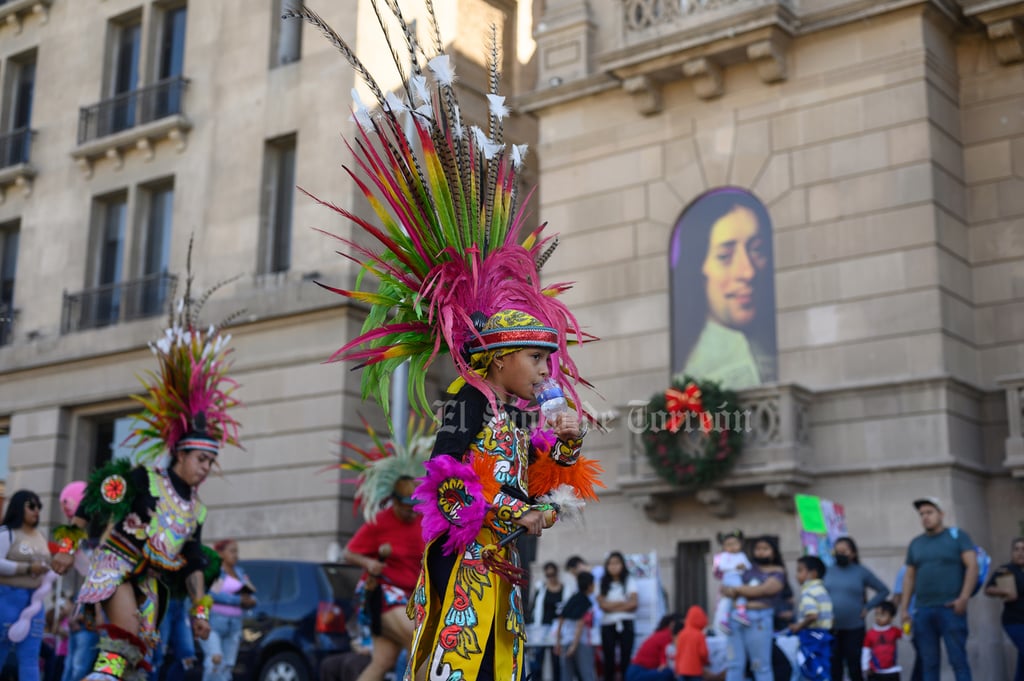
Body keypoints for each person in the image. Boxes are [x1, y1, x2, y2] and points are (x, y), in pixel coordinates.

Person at [51, 283, 241, 681]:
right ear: (181, 454)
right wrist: (67, 546)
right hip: (116, 567)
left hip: (152, 583)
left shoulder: (197, 509)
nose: (206, 468)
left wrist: (200, 611)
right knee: (122, 646)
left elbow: (192, 560)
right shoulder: (144, 479)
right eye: (201, 459)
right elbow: (94, 501)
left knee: (137, 665)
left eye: (212, 461)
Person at [670, 187, 777, 389]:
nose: (748, 272)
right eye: (725, 256)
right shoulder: (690, 367)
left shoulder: (768, 348)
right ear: (698, 267)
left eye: (756, 250)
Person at [345, 476, 424, 681]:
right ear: (395, 502)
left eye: (414, 506)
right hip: (381, 593)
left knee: (383, 661)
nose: (411, 511)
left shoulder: (423, 520)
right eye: (406, 507)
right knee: (418, 639)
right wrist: (370, 563)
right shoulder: (380, 521)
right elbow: (349, 553)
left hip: (409, 596)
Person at [898, 497, 977, 681]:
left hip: (950, 608)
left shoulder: (958, 536)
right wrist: (904, 609)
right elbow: (909, 577)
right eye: (922, 514)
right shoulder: (916, 543)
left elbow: (972, 567)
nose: (925, 517)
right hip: (923, 610)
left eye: (930, 512)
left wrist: (964, 598)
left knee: (958, 661)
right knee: (929, 663)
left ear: (941, 514)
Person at [0, 490, 52, 681]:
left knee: (30, 656)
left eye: (39, 506)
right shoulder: (7, 533)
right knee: (2, 650)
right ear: (18, 507)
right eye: (31, 506)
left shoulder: (40, 536)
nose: (36, 511)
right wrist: (28, 567)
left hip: (35, 601)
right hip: (7, 597)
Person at [719, 536, 786, 681]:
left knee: (760, 665)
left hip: (759, 619)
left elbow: (763, 590)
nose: (761, 552)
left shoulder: (778, 572)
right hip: (735, 618)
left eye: (765, 549)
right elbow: (725, 587)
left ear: (773, 552)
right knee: (734, 664)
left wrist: (738, 591)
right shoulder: (746, 567)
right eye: (758, 549)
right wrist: (735, 591)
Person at [824, 536, 890, 681]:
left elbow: (883, 590)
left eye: (845, 551)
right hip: (831, 627)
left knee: (855, 666)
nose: (841, 554)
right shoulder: (827, 571)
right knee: (835, 666)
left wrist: (867, 607)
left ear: (853, 553)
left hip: (854, 628)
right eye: (838, 551)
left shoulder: (861, 571)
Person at [200, 539, 256, 681]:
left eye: (237, 551)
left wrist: (251, 600)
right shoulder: (219, 572)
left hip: (234, 625)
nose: (235, 555)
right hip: (215, 623)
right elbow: (213, 594)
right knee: (215, 659)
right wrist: (237, 600)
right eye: (232, 551)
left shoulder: (239, 572)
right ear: (220, 553)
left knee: (227, 665)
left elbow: (251, 590)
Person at [984, 536, 1024, 681]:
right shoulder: (1005, 570)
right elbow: (988, 589)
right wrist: (1004, 592)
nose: (1020, 553)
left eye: (1023, 549)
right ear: (1012, 552)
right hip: (1014, 621)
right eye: (1016, 549)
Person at [789, 556, 833, 681]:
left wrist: (798, 626)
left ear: (813, 573)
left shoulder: (808, 591)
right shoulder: (822, 590)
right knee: (822, 668)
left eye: (799, 570)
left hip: (811, 636)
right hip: (824, 635)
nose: (796, 575)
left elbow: (812, 615)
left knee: (810, 669)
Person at [598, 551, 638, 681]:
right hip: (608, 624)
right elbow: (602, 606)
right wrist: (622, 603)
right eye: (611, 563)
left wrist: (611, 605)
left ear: (622, 565)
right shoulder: (603, 582)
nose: (613, 566)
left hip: (626, 623)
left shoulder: (629, 580)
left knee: (625, 657)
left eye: (617, 563)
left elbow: (633, 604)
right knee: (608, 658)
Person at [556, 571, 597, 681]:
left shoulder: (572, 599)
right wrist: (574, 645)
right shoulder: (586, 603)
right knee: (587, 673)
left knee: (566, 675)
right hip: (580, 642)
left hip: (566, 640)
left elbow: (561, 620)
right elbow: (580, 624)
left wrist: (558, 642)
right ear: (589, 586)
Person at [531, 561, 568, 681]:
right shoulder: (541, 589)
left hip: (557, 629)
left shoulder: (565, 589)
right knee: (538, 659)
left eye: (553, 574)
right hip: (541, 627)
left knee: (556, 661)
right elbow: (533, 607)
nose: (551, 578)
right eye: (548, 575)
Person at [713, 530, 752, 633]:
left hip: (738, 577)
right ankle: (741, 612)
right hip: (730, 578)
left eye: (734, 544)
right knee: (740, 592)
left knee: (730, 600)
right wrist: (735, 567)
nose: (732, 547)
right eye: (728, 544)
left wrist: (743, 566)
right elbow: (721, 567)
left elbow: (748, 566)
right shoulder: (725, 556)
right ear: (724, 547)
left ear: (740, 544)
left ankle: (725, 619)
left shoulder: (741, 555)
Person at [151, 596, 197, 681]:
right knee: (157, 656)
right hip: (159, 602)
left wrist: (201, 617)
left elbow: (199, 594)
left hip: (182, 605)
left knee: (187, 655)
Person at [624, 613, 680, 681]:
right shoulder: (667, 635)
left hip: (636, 671)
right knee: (670, 673)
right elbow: (665, 662)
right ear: (672, 624)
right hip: (638, 672)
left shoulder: (662, 633)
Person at [674, 605, 717, 681]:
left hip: (682, 670)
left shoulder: (682, 634)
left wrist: (677, 669)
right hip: (695, 670)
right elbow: (703, 653)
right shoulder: (699, 635)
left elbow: (678, 654)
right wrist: (706, 662)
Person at [860, 601, 901, 681]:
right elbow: (866, 651)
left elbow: (907, 637)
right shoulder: (870, 633)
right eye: (877, 614)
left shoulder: (894, 631)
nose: (878, 617)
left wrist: (907, 627)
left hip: (892, 670)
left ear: (891, 618)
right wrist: (865, 667)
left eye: (883, 615)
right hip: (875, 671)